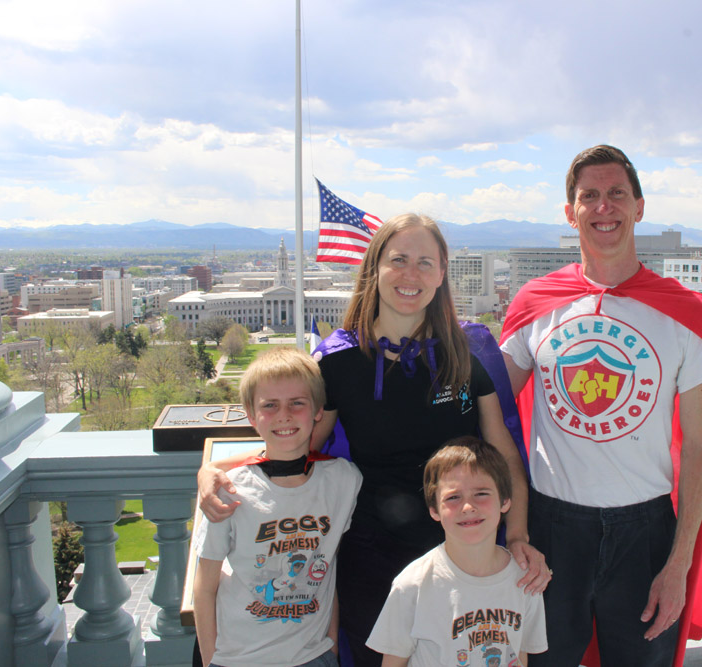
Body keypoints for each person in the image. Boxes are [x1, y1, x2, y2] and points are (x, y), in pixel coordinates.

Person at [197, 214, 550, 666]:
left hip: (462, 548)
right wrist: (216, 469)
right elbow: (294, 447)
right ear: (374, 269)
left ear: (442, 273)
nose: (411, 274)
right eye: (398, 259)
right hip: (371, 553)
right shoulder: (339, 362)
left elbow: (505, 455)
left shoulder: (468, 351)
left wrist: (517, 534)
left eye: (426, 262)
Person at [499, 145, 702, 667]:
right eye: (590, 196)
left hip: (644, 535)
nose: (604, 207)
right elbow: (487, 409)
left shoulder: (685, 314)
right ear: (570, 212)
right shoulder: (537, 302)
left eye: (617, 194)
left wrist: (678, 566)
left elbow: (700, 447)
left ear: (639, 207)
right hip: (550, 530)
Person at [193, 347, 362, 667]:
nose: (284, 415)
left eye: (297, 403)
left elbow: (328, 570)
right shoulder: (229, 490)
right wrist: (211, 659)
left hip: (314, 655)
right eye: (270, 405)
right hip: (240, 658)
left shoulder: (343, 480)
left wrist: (330, 649)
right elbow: (204, 588)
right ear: (251, 414)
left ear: (317, 410)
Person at [367, 436, 547, 666]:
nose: (468, 506)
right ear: (434, 510)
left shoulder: (527, 579)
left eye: (481, 493)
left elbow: (520, 655)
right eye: (453, 497)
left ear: (505, 501)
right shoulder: (413, 584)